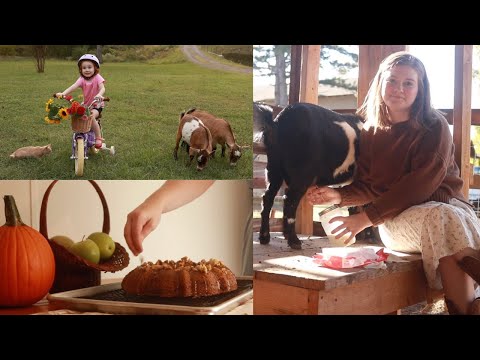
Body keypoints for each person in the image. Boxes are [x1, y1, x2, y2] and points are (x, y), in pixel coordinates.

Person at [306, 51, 480, 315]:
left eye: (408, 83)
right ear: (380, 83)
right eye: (392, 81)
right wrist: (338, 196)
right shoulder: (371, 133)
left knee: (446, 217)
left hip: (451, 211)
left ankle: (466, 309)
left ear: (420, 89)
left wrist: (364, 218)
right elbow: (370, 186)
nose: (399, 88)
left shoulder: (435, 126)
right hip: (397, 221)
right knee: (442, 218)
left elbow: (422, 183)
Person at [56, 54, 106, 149]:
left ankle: (98, 137)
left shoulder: (97, 77)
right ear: (81, 69)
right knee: (78, 115)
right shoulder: (82, 79)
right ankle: (84, 134)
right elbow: (73, 86)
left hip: (97, 105)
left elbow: (102, 88)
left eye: (89, 67)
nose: (87, 70)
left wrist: (99, 94)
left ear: (95, 68)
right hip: (87, 105)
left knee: (91, 116)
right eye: (84, 68)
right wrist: (63, 93)